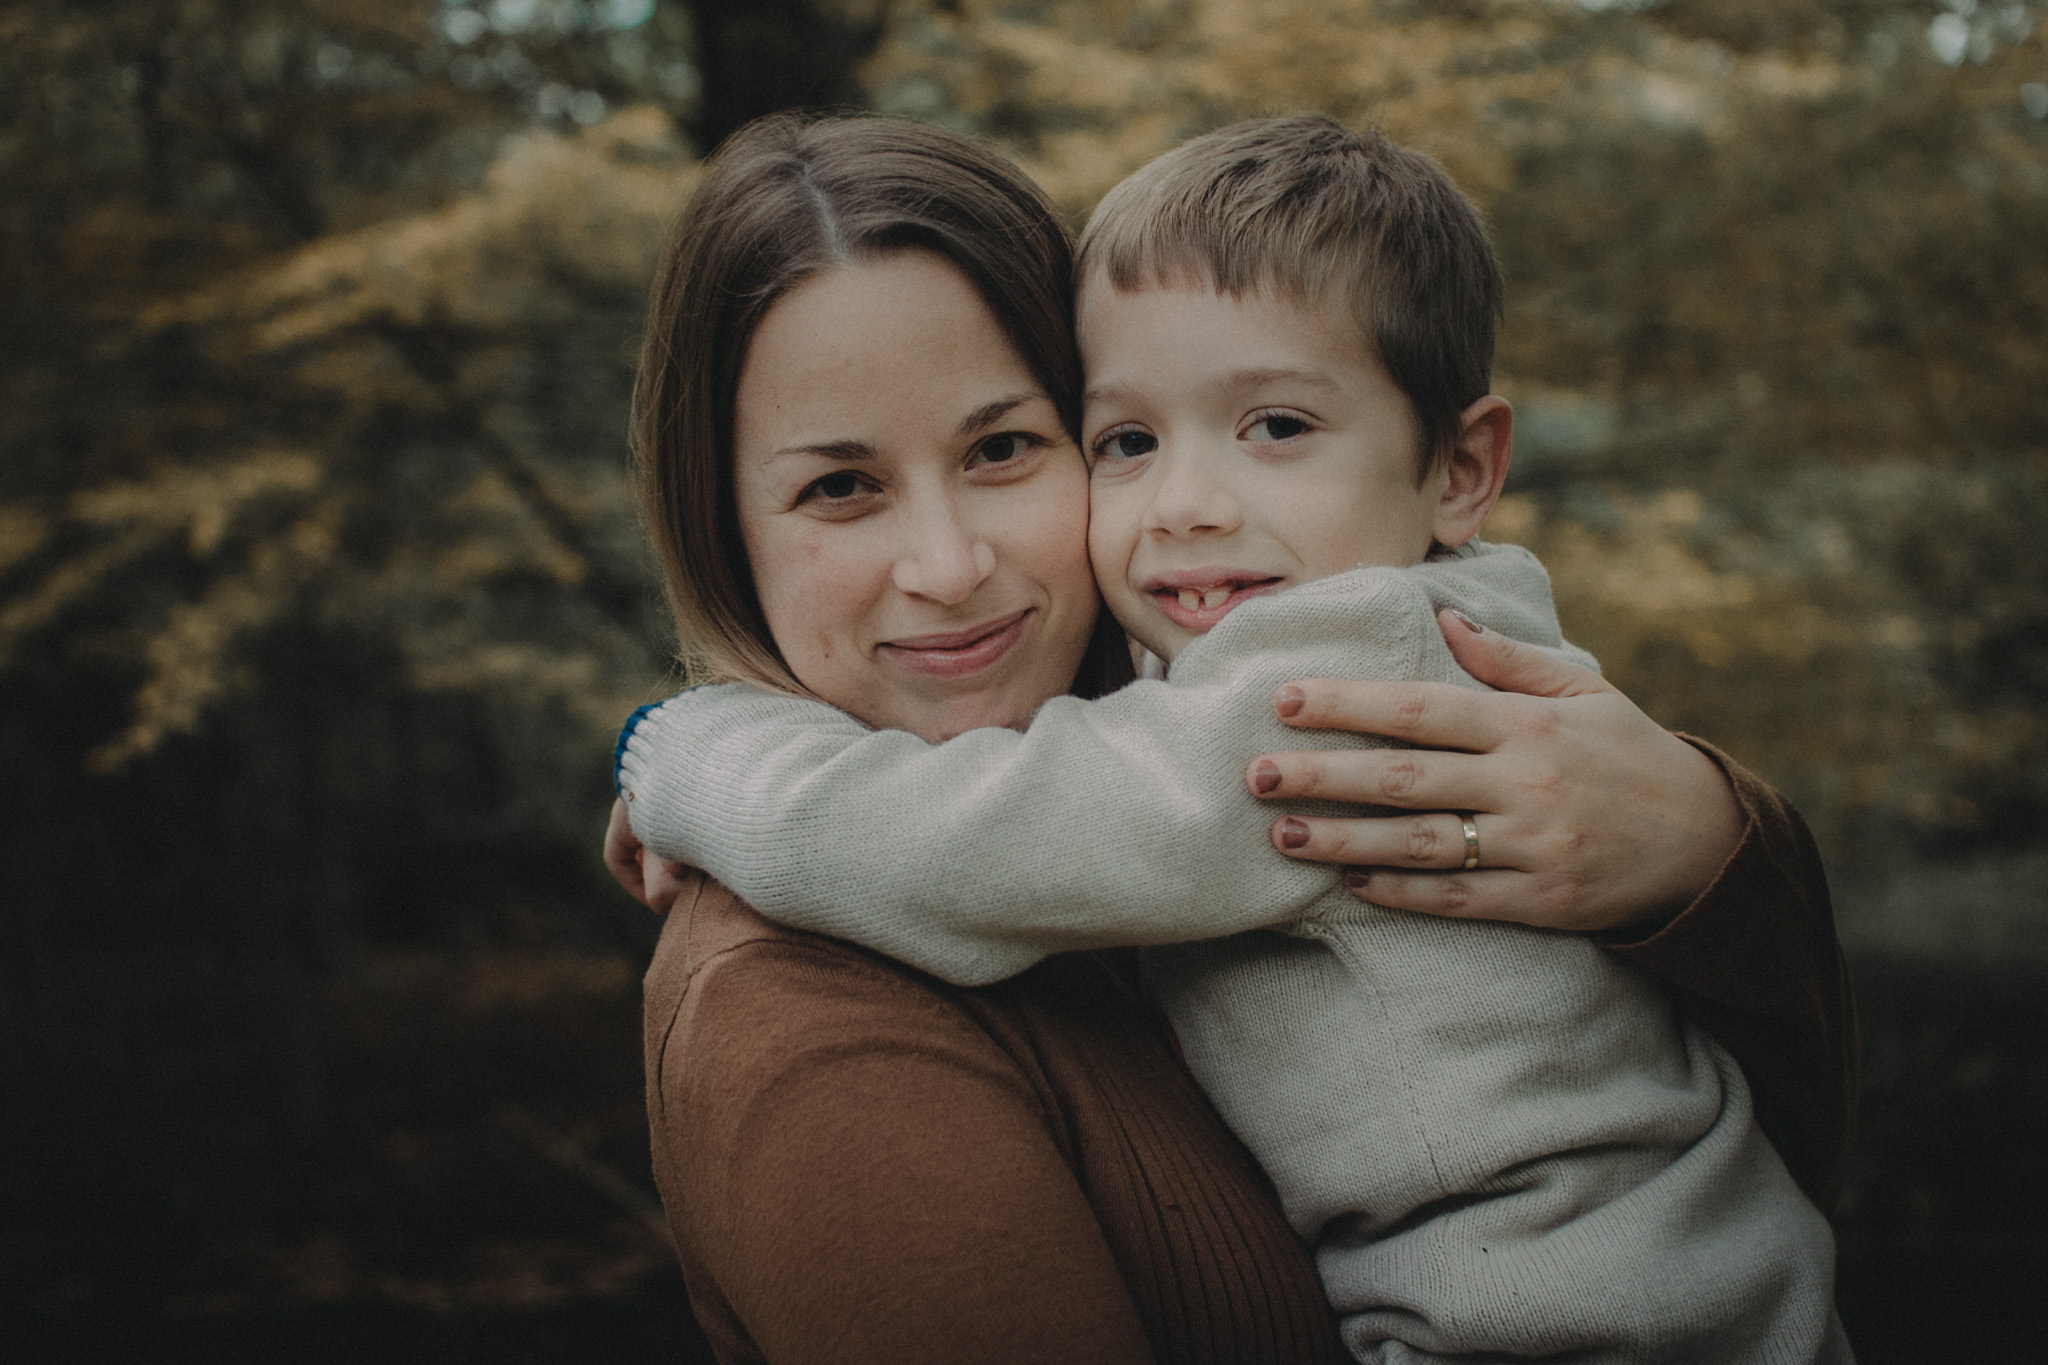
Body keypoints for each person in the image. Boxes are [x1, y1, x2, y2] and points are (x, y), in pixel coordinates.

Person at [607, 111, 1856, 1364]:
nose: (1188, 505)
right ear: (722, 527)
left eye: (1002, 447)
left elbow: (961, 838)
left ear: (1458, 470)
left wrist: (689, 754)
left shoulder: (1325, 690)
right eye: (1130, 441)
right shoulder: (804, 1017)